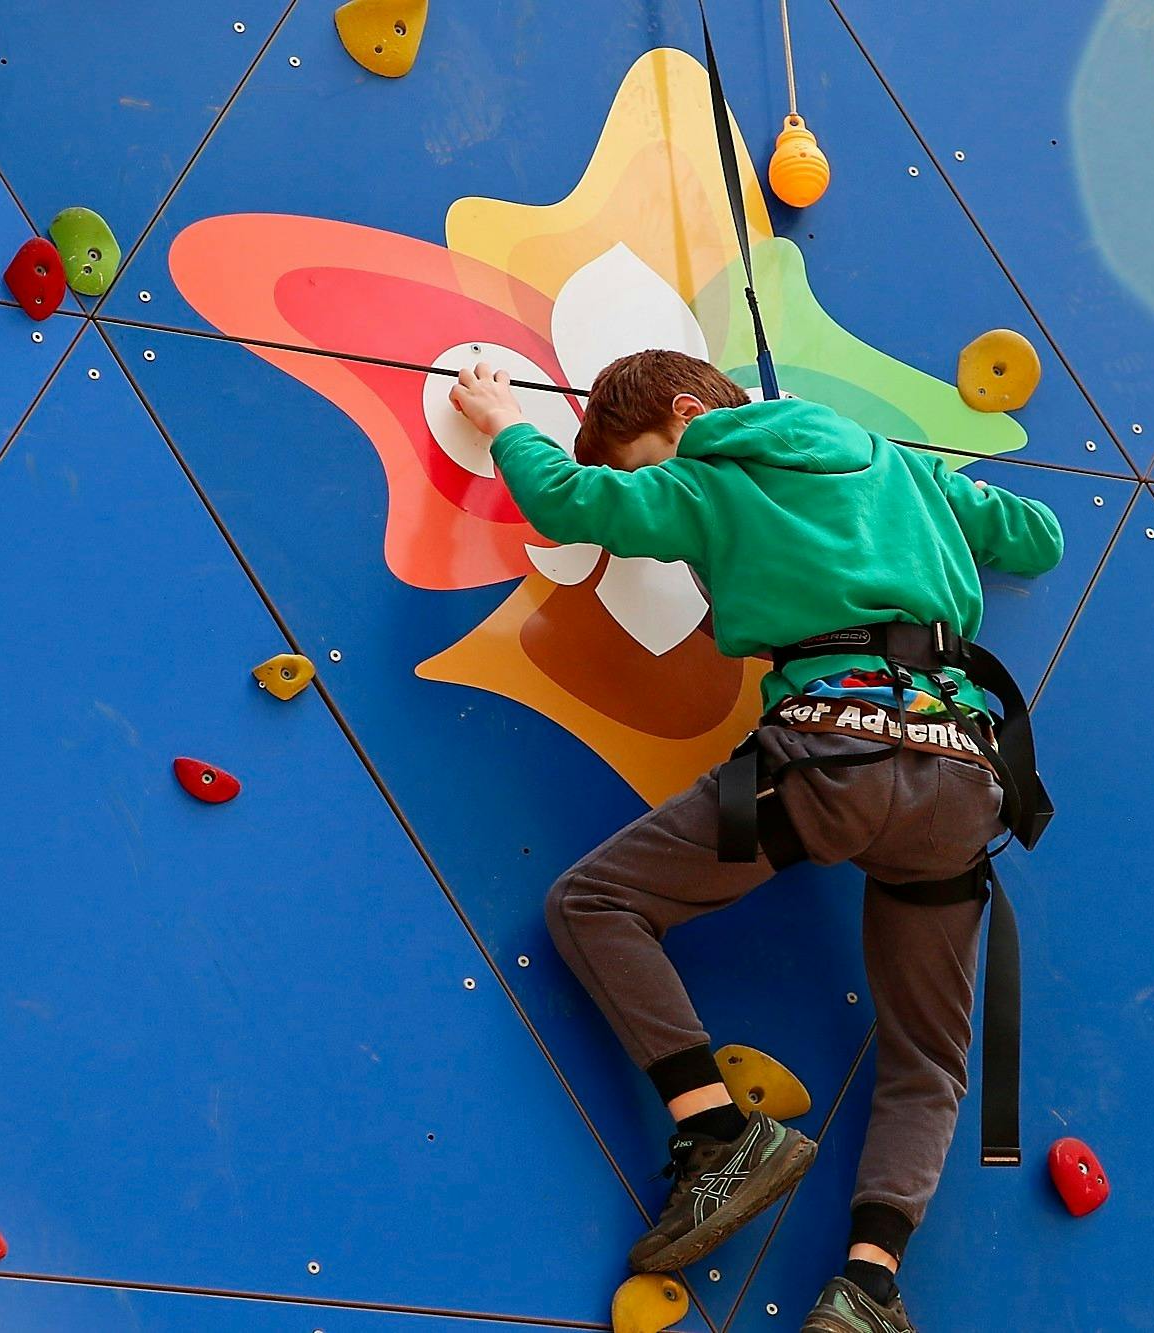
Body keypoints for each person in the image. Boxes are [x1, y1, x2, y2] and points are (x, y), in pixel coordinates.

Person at [451, 349, 1064, 1333]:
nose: (648, 492)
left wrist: (500, 421)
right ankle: (866, 1287)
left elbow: (567, 505)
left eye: (644, 463)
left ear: (689, 414)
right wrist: (929, 490)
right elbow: (1035, 538)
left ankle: (715, 1130)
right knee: (928, 1059)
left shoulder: (706, 473)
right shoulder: (894, 463)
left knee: (594, 903)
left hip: (816, 758)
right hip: (961, 785)